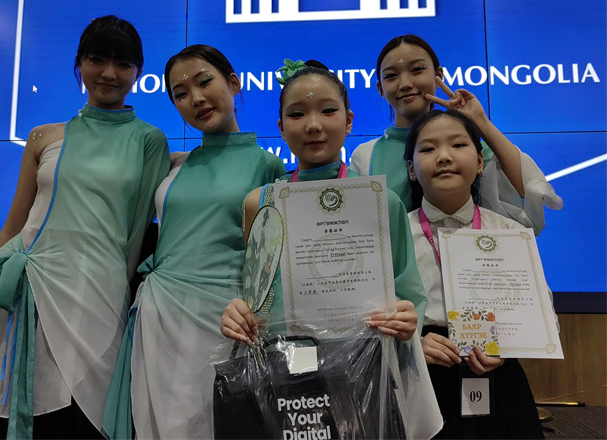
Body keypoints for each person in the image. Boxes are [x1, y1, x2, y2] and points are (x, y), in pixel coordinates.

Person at [0, 15, 170, 439]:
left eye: (123, 63)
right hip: (21, 296)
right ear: (79, 63)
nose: (109, 73)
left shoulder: (149, 140)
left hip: (96, 299)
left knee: (86, 422)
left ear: (138, 72)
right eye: (97, 59)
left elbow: (133, 242)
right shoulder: (43, 137)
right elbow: (12, 228)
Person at [220, 60, 442, 439]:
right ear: (281, 127)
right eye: (297, 114)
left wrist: (408, 318)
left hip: (364, 365)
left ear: (349, 120)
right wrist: (237, 313)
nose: (313, 125)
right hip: (283, 367)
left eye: (327, 110)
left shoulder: (380, 201)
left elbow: (407, 290)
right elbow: (252, 293)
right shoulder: (261, 202)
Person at [103, 45, 287, 440]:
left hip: (226, 321)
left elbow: (270, 260)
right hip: (160, 317)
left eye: (205, 82)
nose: (196, 98)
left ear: (233, 82)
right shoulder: (175, 164)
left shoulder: (268, 164)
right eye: (181, 94)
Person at [404, 108, 544, 439]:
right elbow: (376, 315)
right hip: (422, 373)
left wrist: (507, 346)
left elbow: (539, 313)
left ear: (480, 162)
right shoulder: (396, 235)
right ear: (411, 170)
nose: (444, 157)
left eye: (458, 145)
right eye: (428, 148)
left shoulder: (510, 232)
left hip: (497, 373)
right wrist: (411, 345)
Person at [351, 34, 562, 234]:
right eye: (391, 76)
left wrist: (480, 121)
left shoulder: (469, 147)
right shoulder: (367, 156)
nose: (405, 84)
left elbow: (531, 193)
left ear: (439, 76)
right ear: (380, 88)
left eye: (417, 69)